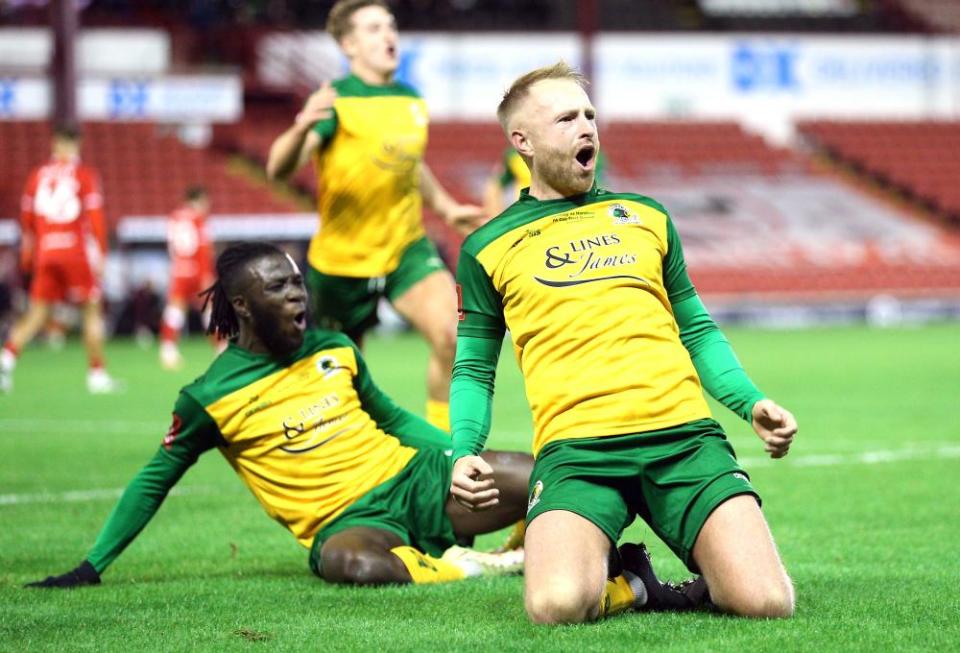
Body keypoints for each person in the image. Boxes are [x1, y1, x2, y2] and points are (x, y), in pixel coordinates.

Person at [449, 63, 798, 624]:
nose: (586, 127)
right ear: (523, 142)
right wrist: (464, 448)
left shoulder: (646, 216)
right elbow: (473, 368)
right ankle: (629, 582)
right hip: (578, 451)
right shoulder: (486, 246)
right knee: (556, 606)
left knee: (766, 602)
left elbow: (697, 329)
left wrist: (750, 402)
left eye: (589, 115)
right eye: (566, 118)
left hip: (682, 438)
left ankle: (685, 568)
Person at [26, 242, 538, 588]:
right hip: (350, 521)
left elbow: (393, 420)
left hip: (418, 481)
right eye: (279, 288)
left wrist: (457, 456)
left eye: (297, 283)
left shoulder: (333, 347)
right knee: (353, 564)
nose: (297, 294)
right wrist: (92, 566)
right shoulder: (208, 396)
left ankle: (524, 543)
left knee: (542, 475)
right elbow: (152, 481)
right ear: (243, 306)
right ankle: (467, 566)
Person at [265, 0, 486, 432]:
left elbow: (408, 162)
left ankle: (445, 451)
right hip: (341, 261)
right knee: (340, 377)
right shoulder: (336, 103)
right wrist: (299, 125)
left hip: (405, 248)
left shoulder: (411, 101)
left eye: (390, 26)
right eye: (373, 29)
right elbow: (279, 167)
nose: (388, 35)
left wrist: (444, 206)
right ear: (348, 44)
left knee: (453, 336)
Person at [0, 126, 117, 394]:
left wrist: (29, 254)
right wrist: (101, 253)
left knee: (37, 312)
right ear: (76, 144)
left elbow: (27, 221)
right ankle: (97, 374)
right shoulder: (84, 174)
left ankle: (6, 359)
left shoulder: (37, 175)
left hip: (46, 251)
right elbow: (96, 217)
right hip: (74, 251)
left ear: (55, 144)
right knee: (91, 310)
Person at [158, 186, 216, 370]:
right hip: (197, 269)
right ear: (199, 200)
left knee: (175, 309)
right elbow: (203, 247)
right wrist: (207, 274)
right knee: (210, 308)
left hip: (179, 268)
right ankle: (221, 348)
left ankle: (168, 350)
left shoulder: (174, 217)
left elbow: (171, 246)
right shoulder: (199, 219)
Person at [482, 146, 607, 217]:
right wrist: (496, 218)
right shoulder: (515, 155)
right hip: (525, 218)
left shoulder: (588, 154)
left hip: (567, 217)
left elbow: (596, 191)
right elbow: (495, 185)